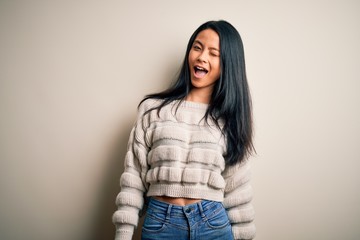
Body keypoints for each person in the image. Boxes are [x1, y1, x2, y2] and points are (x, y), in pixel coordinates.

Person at [112, 20, 256, 240]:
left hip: (213, 225)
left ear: (228, 63)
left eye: (213, 53)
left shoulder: (231, 120)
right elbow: (133, 178)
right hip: (160, 224)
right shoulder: (153, 110)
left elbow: (239, 194)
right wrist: (123, 234)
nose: (201, 57)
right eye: (197, 47)